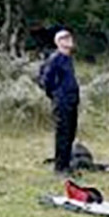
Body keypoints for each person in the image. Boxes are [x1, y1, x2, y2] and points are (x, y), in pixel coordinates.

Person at [40, 28, 80, 175]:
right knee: (62, 134)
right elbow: (46, 80)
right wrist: (56, 95)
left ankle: (66, 164)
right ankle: (60, 168)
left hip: (72, 100)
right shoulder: (55, 59)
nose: (69, 40)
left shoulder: (68, 58)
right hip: (62, 101)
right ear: (58, 42)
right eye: (64, 38)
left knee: (70, 133)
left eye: (69, 37)